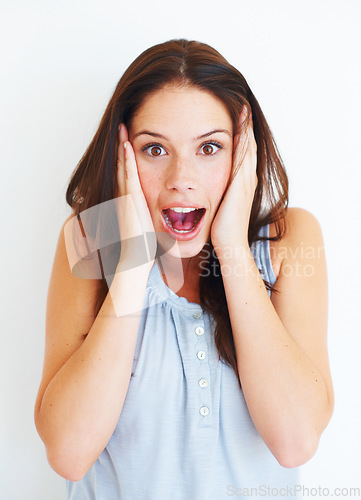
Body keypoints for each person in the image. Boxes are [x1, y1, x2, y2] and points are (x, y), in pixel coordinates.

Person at [34, 38, 334, 500]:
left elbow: (295, 442)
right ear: (122, 155)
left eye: (209, 148)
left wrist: (231, 246)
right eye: (155, 150)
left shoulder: (289, 239)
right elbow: (69, 454)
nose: (181, 178)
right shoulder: (88, 241)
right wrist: (132, 263)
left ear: (242, 153)